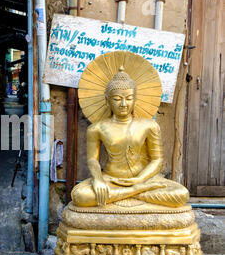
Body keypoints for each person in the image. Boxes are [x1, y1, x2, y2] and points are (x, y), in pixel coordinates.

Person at [72, 67, 189, 208]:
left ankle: (123, 194)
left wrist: (140, 179)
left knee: (181, 194)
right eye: (117, 99)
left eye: (128, 98)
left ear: (135, 99)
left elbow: (157, 160)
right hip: (111, 179)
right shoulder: (97, 128)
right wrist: (98, 180)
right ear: (107, 100)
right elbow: (92, 159)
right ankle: (137, 193)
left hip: (144, 179)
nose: (123, 104)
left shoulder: (149, 126)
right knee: (80, 195)